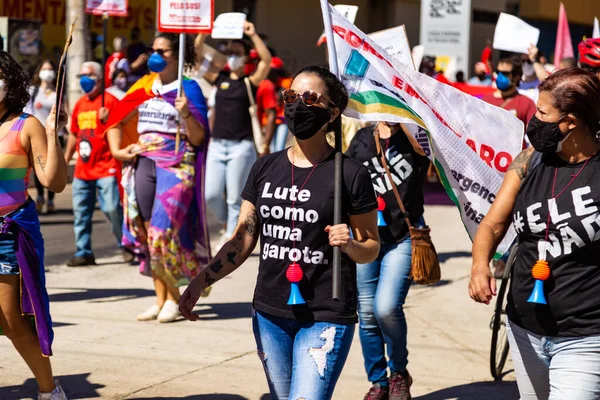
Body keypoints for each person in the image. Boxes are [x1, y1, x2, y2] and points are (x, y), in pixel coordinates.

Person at [180, 65, 380, 400]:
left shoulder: (350, 174)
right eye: (291, 96)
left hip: (326, 313)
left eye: (309, 98)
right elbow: (243, 238)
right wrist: (201, 281)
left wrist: (350, 245)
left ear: (332, 113)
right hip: (269, 312)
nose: (297, 105)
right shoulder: (264, 167)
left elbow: (371, 246)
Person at [469, 68, 600, 399]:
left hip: (586, 336)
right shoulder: (528, 162)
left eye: (542, 113)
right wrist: (480, 264)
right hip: (525, 328)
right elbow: (493, 223)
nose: (535, 121)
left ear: (569, 122)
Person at [106, 33, 210, 323]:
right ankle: (161, 298)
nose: (155, 55)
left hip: (177, 164)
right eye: (153, 50)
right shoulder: (143, 86)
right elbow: (117, 116)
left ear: (176, 56)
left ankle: (178, 300)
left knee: (161, 233)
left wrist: (187, 114)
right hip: (144, 161)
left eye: (162, 51)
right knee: (147, 232)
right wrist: (117, 150)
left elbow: (199, 136)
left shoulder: (189, 88)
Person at [0, 50, 69, 400]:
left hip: (8, 234)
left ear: (8, 83)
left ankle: (49, 391)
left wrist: (54, 135)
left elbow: (53, 182)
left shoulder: (26, 125)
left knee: (12, 321)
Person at [347, 122, 429, 400]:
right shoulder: (362, 138)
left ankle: (399, 373)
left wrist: (404, 118)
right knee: (367, 315)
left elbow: (424, 151)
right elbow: (346, 180)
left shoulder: (414, 135)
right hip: (365, 236)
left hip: (403, 237)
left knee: (386, 308)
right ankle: (378, 382)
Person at [197, 22, 272, 249]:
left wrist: (253, 33)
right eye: (229, 53)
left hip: (242, 146)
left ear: (246, 58)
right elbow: (198, 51)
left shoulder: (251, 83)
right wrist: (206, 29)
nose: (232, 57)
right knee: (210, 195)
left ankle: (231, 238)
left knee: (233, 198)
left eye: (237, 53)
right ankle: (227, 225)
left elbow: (266, 61)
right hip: (217, 145)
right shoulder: (219, 79)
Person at [63, 61, 130, 267]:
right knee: (81, 213)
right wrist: (65, 160)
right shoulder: (80, 104)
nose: (84, 79)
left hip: (106, 166)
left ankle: (125, 245)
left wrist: (110, 118)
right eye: (81, 75)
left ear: (100, 79)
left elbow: (125, 123)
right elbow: (74, 135)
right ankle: (84, 251)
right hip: (83, 170)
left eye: (89, 75)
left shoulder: (109, 101)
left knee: (111, 208)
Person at [24, 59, 64, 214]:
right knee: (39, 166)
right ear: (39, 72)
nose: (47, 72)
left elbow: (64, 111)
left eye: (50, 69)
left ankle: (51, 199)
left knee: (53, 167)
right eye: (44, 69)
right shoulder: (32, 91)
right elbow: (27, 111)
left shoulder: (57, 93)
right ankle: (40, 196)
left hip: (55, 135)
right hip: (38, 136)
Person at [481, 56, 536, 128]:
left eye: (505, 73)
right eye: (498, 72)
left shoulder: (527, 103)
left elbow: (534, 134)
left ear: (516, 77)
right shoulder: (485, 100)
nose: (500, 76)